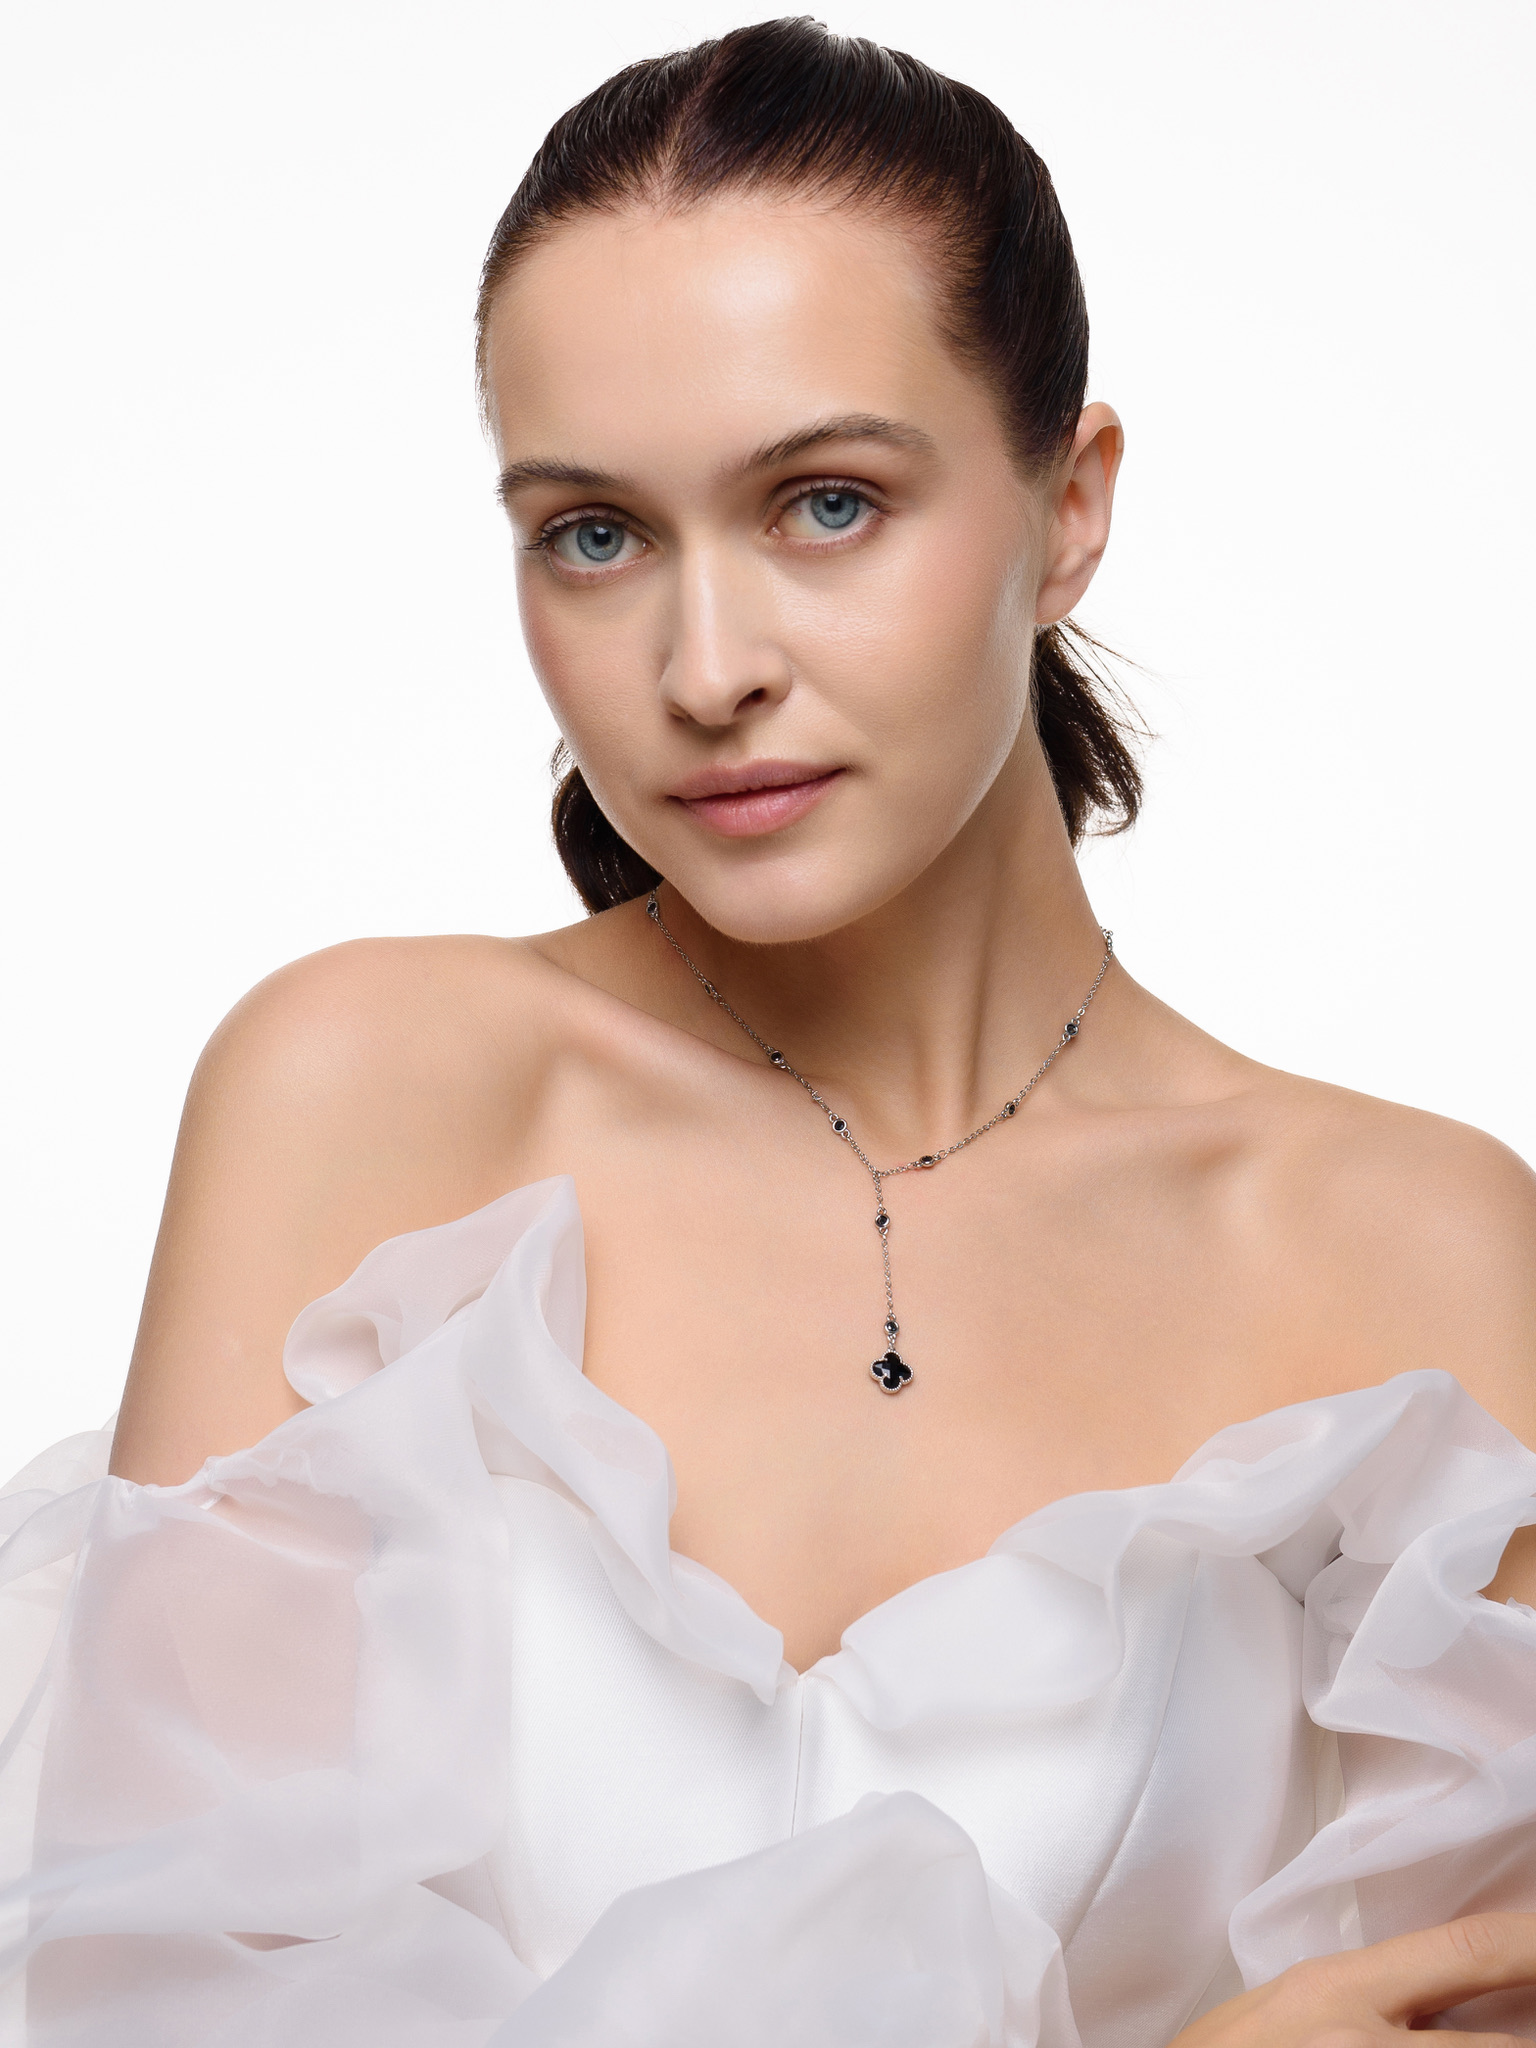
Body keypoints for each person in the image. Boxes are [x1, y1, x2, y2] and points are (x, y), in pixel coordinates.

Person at [3, 18, 1535, 2045]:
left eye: (825, 504)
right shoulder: (368, 1094)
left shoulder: (1406, 1248)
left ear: (1070, 507)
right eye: (595, 534)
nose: (703, 667)